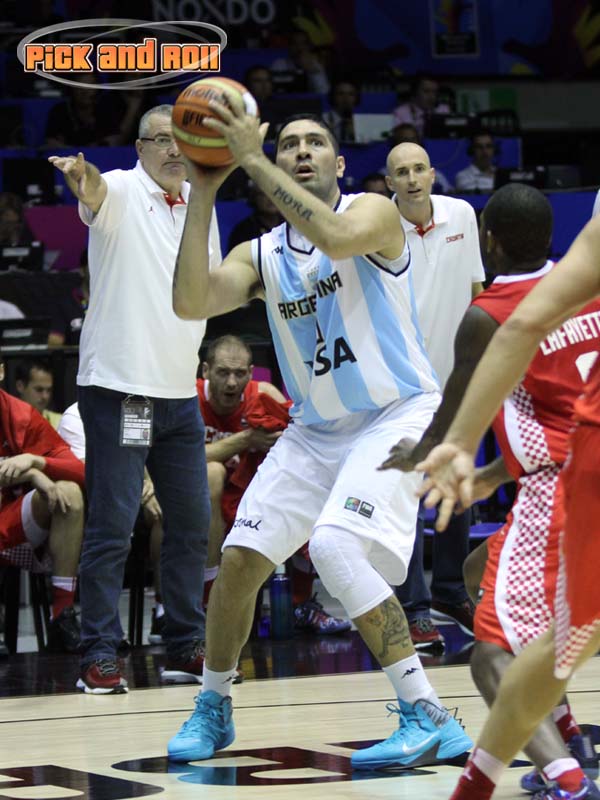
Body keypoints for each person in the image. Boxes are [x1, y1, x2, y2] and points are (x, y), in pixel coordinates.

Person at [166, 107, 472, 768]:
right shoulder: (262, 254)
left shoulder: (374, 212)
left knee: (334, 545)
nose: (301, 150)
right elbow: (190, 302)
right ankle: (213, 705)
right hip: (315, 430)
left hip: (397, 414)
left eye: (315, 142)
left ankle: (427, 714)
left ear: (339, 162)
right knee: (241, 560)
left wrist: (251, 159)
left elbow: (333, 237)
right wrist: (204, 190)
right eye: (288, 144)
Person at [382, 183, 600, 796]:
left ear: (490, 241)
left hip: (560, 493)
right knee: (479, 572)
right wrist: (492, 476)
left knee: (491, 653)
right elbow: (562, 422)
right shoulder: (588, 289)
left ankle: (566, 776)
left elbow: (455, 413)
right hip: (574, 467)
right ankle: (566, 732)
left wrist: (419, 454)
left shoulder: (489, 315)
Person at [48, 103, 221, 694]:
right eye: (162, 140)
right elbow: (96, 192)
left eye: (183, 141)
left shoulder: (200, 204)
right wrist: (84, 178)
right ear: (140, 148)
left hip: (179, 394)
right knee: (114, 526)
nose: (174, 150)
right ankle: (99, 653)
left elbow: (207, 288)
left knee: (191, 524)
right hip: (123, 391)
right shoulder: (121, 189)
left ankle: (185, 643)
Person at [384, 142, 485, 649]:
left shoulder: (461, 215)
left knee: (454, 487)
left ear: (431, 174)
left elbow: (477, 294)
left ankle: (449, 590)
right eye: (401, 172)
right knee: (405, 496)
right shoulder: (377, 228)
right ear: (389, 183)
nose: (411, 179)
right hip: (400, 386)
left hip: (454, 380)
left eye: (418, 169)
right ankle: (414, 607)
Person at [197, 334, 351, 636]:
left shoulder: (263, 395)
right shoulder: (191, 398)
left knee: (304, 483)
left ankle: (301, 603)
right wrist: (246, 439)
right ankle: (207, 601)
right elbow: (185, 459)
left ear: (250, 373)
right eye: (223, 373)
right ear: (205, 371)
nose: (231, 383)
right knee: (212, 473)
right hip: (205, 499)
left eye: (239, 374)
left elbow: (300, 443)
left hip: (252, 492)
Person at [0, 352, 85, 654]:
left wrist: (37, 461)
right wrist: (35, 475)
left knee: (69, 492)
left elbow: (81, 471)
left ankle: (62, 614)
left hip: (11, 524)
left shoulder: (21, 415)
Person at [271, 29, 331, 94]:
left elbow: (324, 92)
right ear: (289, 46)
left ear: (309, 47)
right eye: (295, 43)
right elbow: (273, 91)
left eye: (303, 44)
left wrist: (311, 69)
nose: (299, 47)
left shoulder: (315, 65)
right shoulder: (279, 64)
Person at [14, 360, 62, 430]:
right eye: (39, 390)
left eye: (49, 390)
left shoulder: (60, 422)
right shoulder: (6, 423)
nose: (45, 396)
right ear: (20, 386)